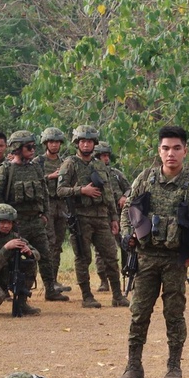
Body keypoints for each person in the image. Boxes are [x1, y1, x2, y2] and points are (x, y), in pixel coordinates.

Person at [116, 125, 189, 378]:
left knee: (174, 314)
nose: (170, 154)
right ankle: (133, 366)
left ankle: (174, 366)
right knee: (139, 313)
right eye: (165, 148)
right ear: (159, 151)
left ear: (185, 150)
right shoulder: (145, 178)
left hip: (175, 260)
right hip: (146, 257)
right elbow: (128, 209)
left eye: (176, 148)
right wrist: (128, 237)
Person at [56, 124, 128, 308]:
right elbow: (60, 190)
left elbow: (109, 193)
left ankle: (118, 295)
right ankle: (87, 296)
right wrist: (82, 190)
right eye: (83, 141)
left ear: (94, 143)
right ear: (77, 143)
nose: (86, 145)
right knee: (83, 257)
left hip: (101, 217)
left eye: (89, 141)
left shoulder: (99, 165)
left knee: (111, 256)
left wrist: (113, 218)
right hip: (80, 217)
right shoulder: (70, 163)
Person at [0, 130, 68, 302]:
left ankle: (50, 289)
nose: (33, 149)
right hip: (16, 223)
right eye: (29, 147)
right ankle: (7, 289)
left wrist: (45, 215)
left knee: (45, 255)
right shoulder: (6, 170)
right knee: (13, 258)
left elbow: (44, 193)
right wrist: (5, 220)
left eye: (33, 146)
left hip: (36, 221)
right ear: (18, 148)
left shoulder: (35, 167)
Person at [33, 127, 72, 295]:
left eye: (56, 142)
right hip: (46, 205)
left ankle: (54, 280)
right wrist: (50, 177)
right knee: (48, 243)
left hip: (61, 206)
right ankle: (47, 281)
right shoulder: (38, 162)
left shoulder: (65, 162)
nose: (54, 145)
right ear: (45, 143)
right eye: (51, 142)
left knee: (57, 245)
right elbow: (32, 182)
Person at [92, 141, 131, 293]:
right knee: (101, 250)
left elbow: (130, 189)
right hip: (101, 215)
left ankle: (127, 275)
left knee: (125, 244)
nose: (106, 159)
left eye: (107, 155)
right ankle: (104, 281)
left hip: (120, 215)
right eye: (102, 156)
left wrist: (124, 197)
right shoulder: (92, 173)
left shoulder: (116, 173)